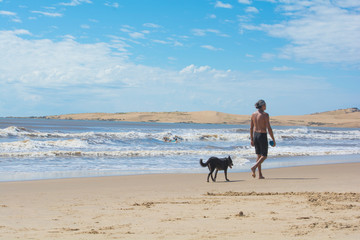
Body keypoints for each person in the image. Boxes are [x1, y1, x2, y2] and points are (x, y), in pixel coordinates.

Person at [250, 99, 276, 179]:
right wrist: (273, 139)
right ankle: (254, 167)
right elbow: (269, 128)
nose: (266, 106)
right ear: (262, 106)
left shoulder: (253, 114)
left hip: (255, 135)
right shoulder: (265, 115)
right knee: (264, 156)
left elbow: (251, 128)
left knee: (258, 155)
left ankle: (260, 175)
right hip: (262, 135)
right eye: (265, 105)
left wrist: (251, 139)